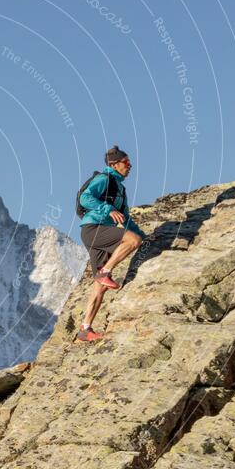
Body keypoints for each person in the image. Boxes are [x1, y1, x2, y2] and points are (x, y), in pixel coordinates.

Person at [76, 145, 147, 342]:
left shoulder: (120, 188)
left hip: (99, 231)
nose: (130, 165)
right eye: (126, 162)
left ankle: (85, 328)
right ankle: (106, 271)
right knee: (133, 241)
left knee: (100, 286)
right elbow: (85, 198)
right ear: (114, 164)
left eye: (129, 162)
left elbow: (125, 218)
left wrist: (145, 235)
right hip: (93, 228)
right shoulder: (104, 179)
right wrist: (107, 208)